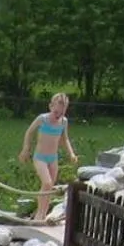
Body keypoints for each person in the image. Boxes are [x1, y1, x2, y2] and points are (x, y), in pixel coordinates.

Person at [19, 92, 79, 224]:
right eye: (57, 111)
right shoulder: (42, 119)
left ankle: (43, 214)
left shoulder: (63, 122)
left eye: (62, 112)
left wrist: (71, 153)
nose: (58, 115)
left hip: (53, 158)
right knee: (46, 183)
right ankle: (39, 216)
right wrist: (26, 149)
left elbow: (65, 139)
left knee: (50, 187)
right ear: (51, 106)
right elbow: (29, 132)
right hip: (40, 157)